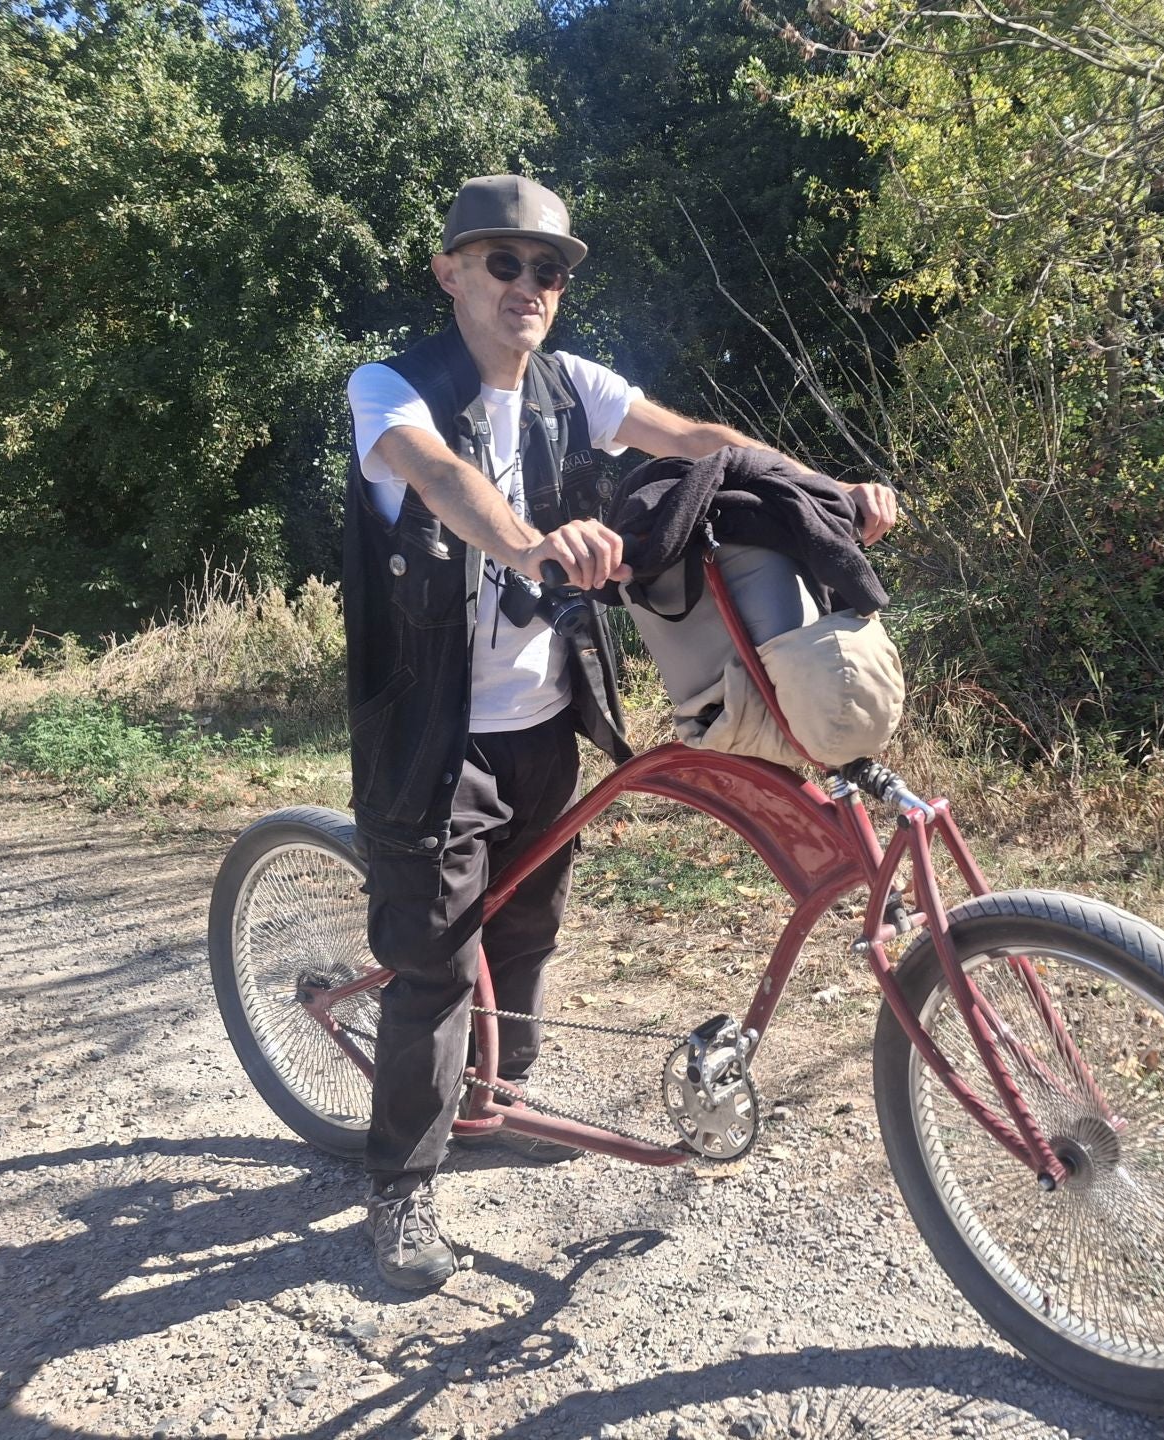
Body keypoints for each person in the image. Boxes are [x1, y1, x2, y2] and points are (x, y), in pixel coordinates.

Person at [343, 174, 897, 1291]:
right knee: (434, 965)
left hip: (545, 719)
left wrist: (825, 489)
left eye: (549, 269)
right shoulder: (391, 388)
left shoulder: (569, 385)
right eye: (505, 262)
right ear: (451, 271)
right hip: (432, 733)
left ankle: (497, 1098)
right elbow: (444, 480)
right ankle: (399, 1187)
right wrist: (533, 543)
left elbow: (700, 440)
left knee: (531, 919)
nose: (530, 286)